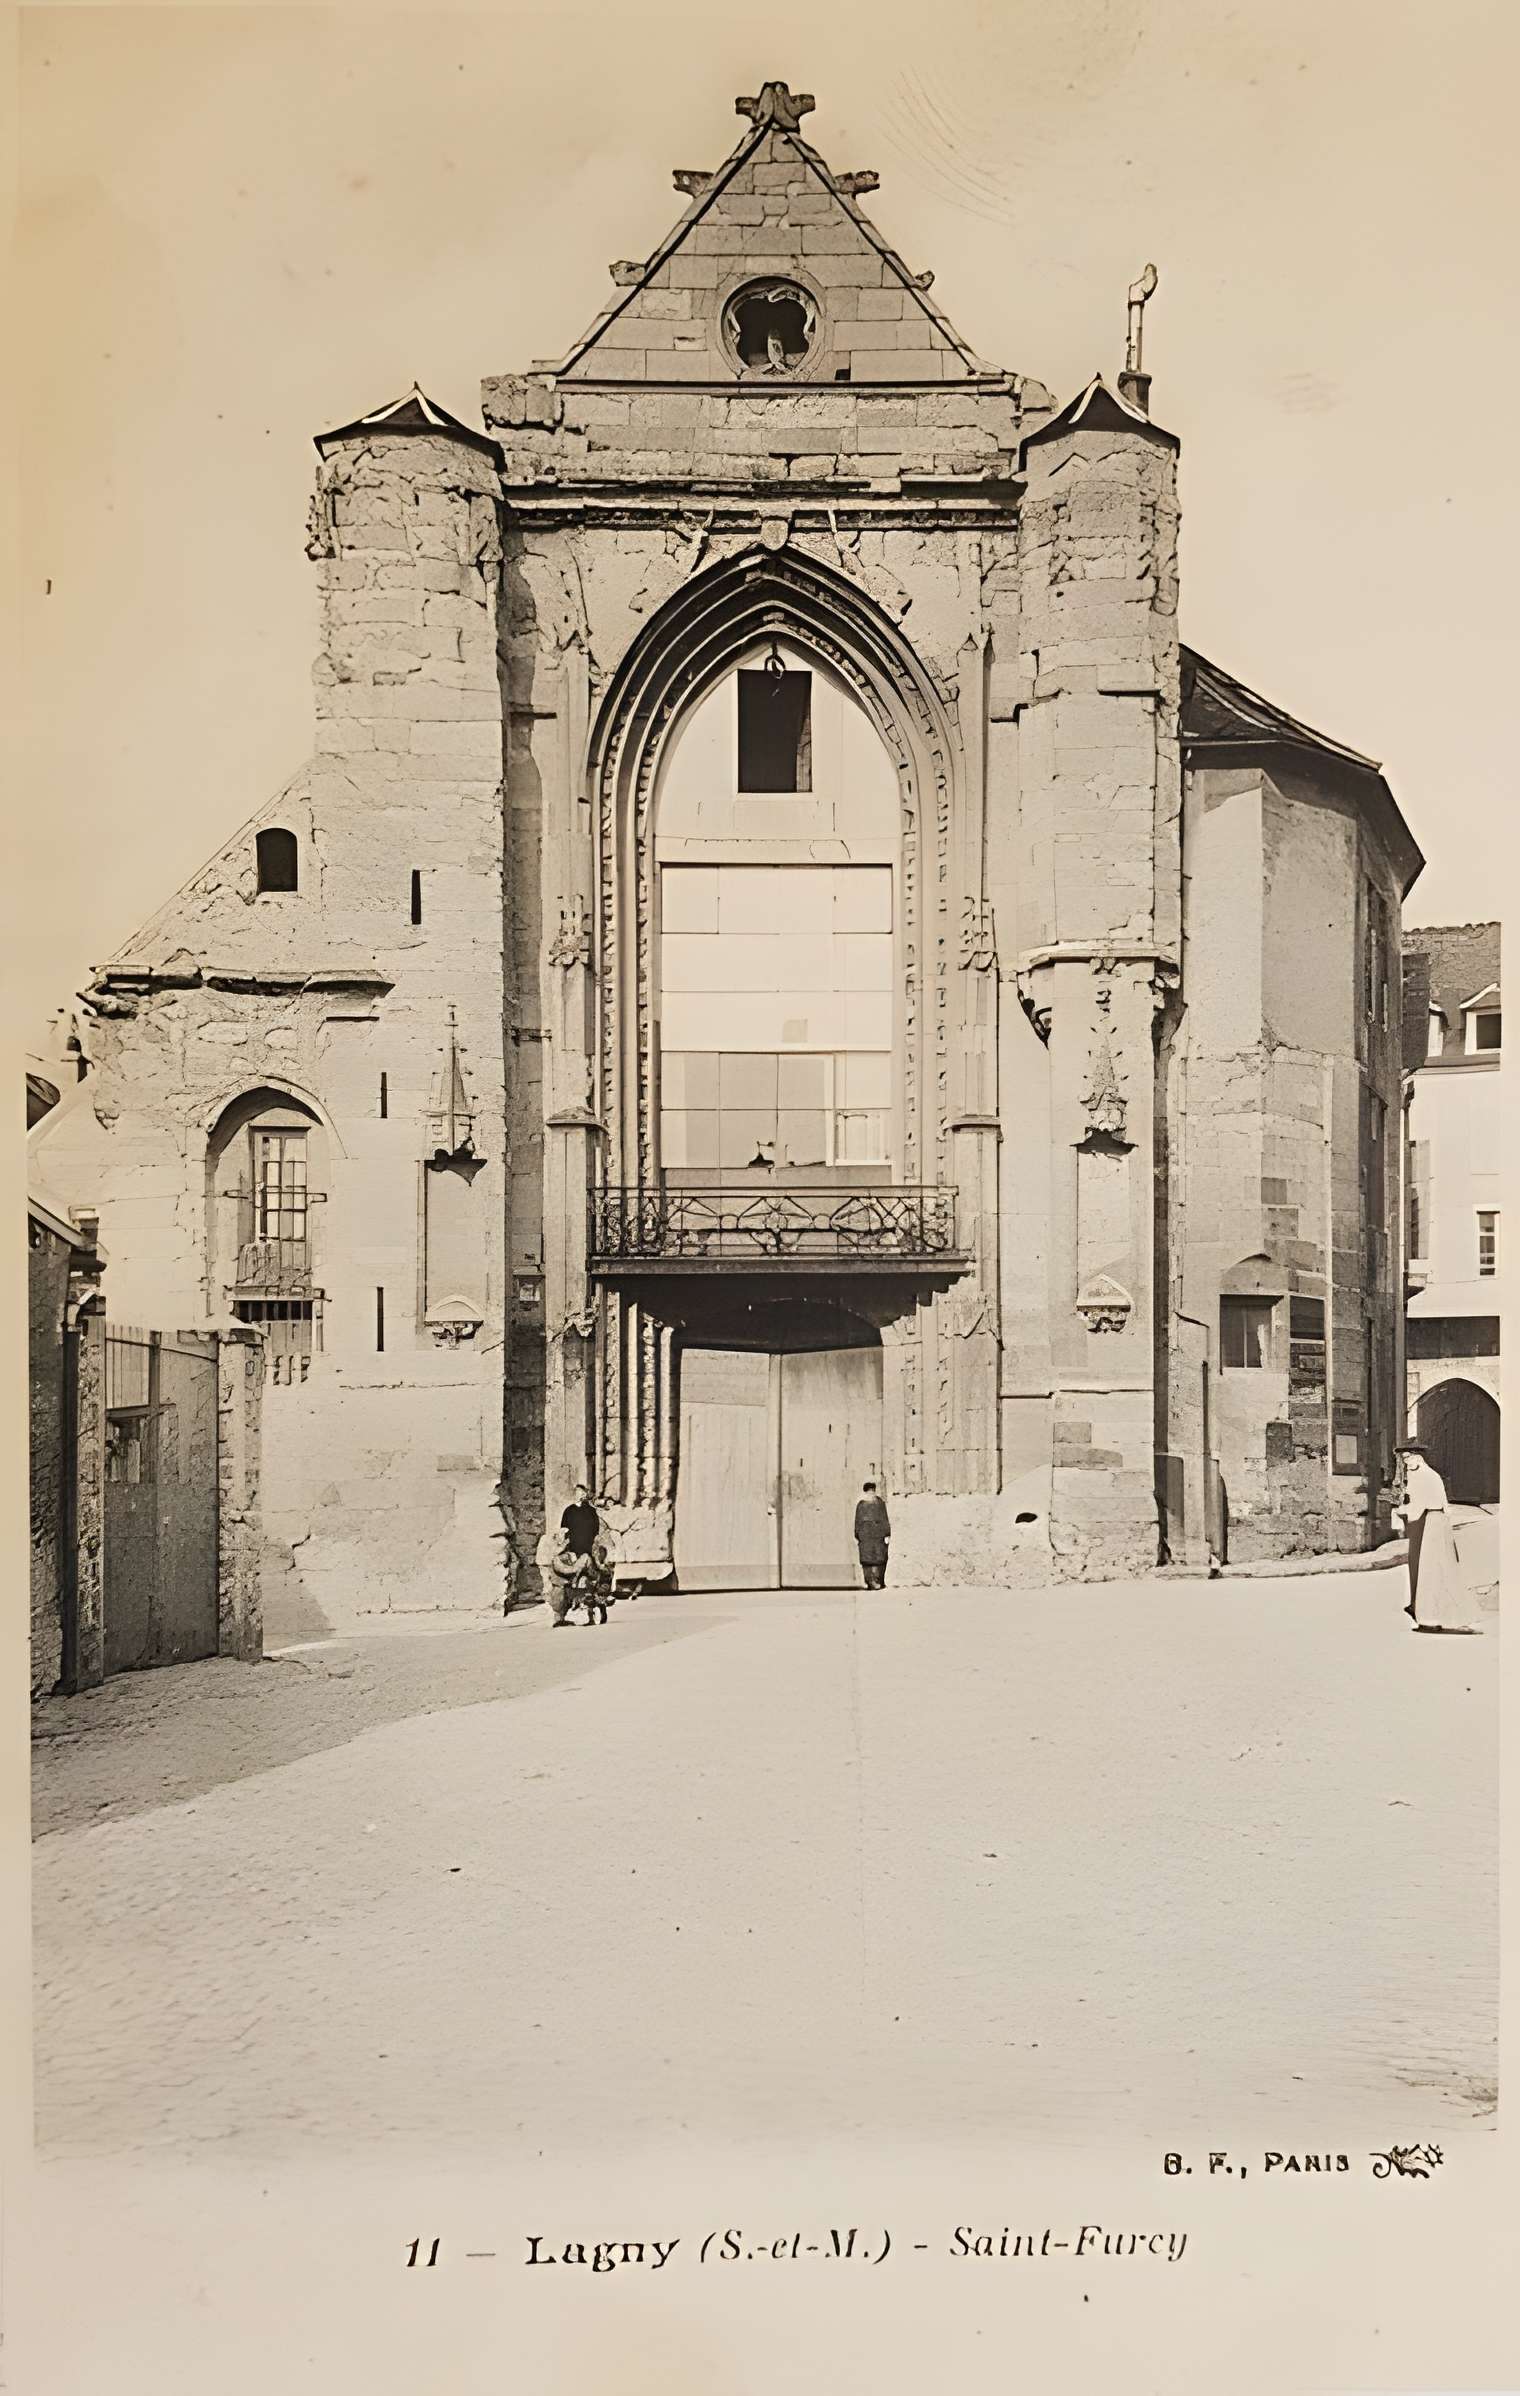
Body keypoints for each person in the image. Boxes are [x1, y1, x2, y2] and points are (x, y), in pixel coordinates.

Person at [1396, 1440, 1480, 1634]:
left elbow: (1418, 1507)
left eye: (1408, 1457)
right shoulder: (1429, 1474)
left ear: (1418, 1457)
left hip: (1432, 1522)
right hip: (1436, 1522)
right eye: (1404, 1459)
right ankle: (1435, 1615)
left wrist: (1401, 1510)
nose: (1406, 1462)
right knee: (1439, 1567)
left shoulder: (1422, 1476)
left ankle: (1430, 1617)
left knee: (1430, 1568)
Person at [536, 1524, 581, 1626]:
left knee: (564, 1598)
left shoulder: (563, 1551)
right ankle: (558, 1619)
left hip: (561, 1578)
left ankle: (562, 1618)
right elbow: (554, 1557)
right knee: (557, 1597)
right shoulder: (549, 1543)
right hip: (555, 1576)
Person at [853, 1481, 891, 1589]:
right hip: (865, 1537)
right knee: (867, 1560)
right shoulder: (861, 1505)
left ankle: (878, 1581)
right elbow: (857, 1522)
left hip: (878, 1536)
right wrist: (858, 1534)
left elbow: (885, 1519)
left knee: (880, 1558)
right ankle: (870, 1582)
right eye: (869, 1490)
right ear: (865, 1492)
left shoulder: (880, 1503)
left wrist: (887, 1534)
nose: (871, 1493)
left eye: (873, 1490)